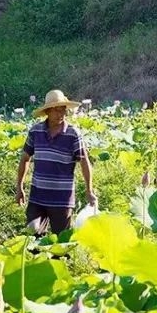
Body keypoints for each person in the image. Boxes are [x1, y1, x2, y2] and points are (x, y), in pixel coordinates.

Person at [15, 89, 97, 235]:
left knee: (60, 245)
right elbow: (25, 159)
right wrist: (19, 186)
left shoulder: (73, 134)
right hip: (37, 197)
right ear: (48, 112)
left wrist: (89, 190)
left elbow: (84, 162)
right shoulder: (35, 132)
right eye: (57, 111)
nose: (61, 114)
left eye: (63, 111)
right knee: (33, 238)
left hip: (62, 200)